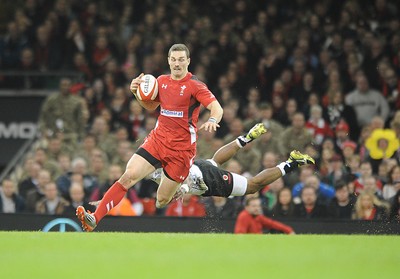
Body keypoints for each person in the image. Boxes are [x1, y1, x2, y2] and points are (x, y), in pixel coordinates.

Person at [77, 44, 223, 231]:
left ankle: (182, 185)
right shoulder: (160, 81)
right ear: (168, 61)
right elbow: (151, 107)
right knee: (128, 176)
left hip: (181, 151)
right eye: (173, 59)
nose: (177, 63)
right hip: (157, 141)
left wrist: (212, 119)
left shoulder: (195, 85)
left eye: (181, 59)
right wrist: (136, 93)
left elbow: (217, 107)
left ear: (188, 61)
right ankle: (94, 219)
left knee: (161, 201)